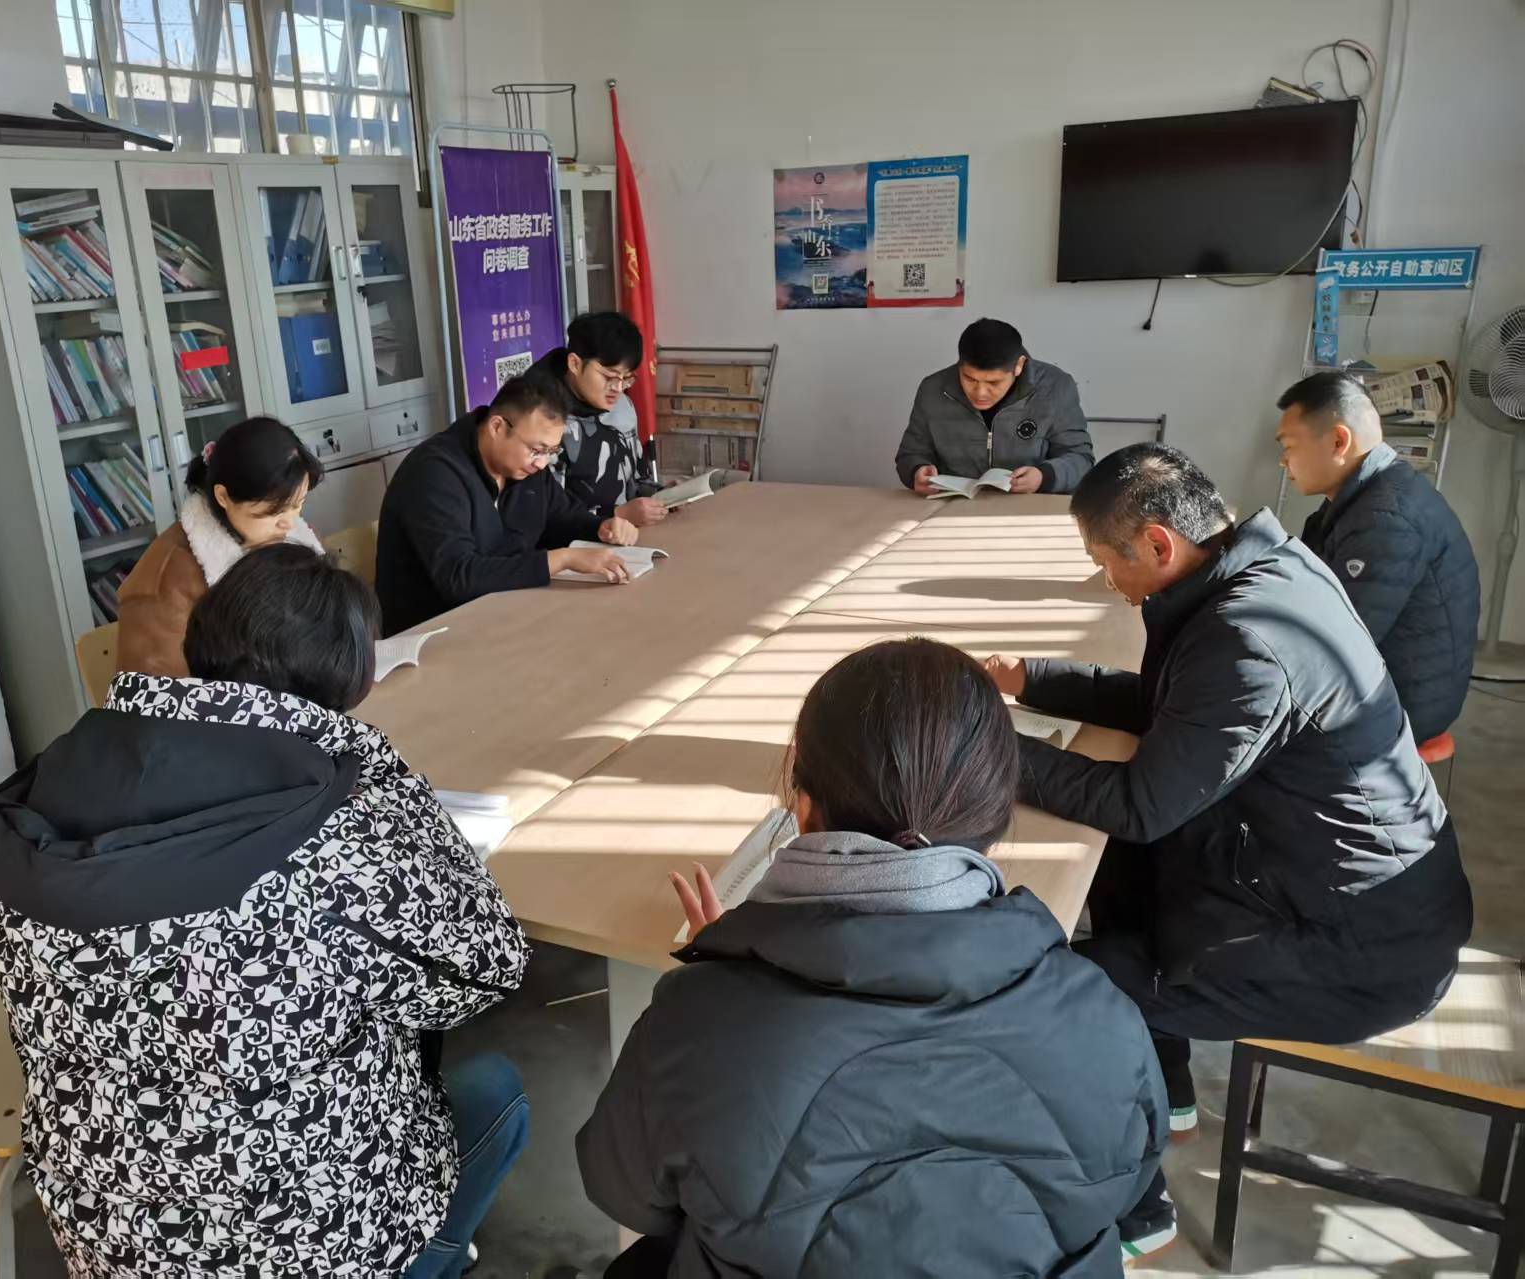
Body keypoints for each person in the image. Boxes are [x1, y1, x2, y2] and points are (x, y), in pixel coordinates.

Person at [0, 543, 532, 1277]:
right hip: (304, 1245)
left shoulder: (52, 781)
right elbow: (484, 971)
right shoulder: (339, 824)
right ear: (354, 677)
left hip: (105, 1232)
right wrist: (392, 787)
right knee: (495, 1091)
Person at [982, 443, 1472, 1258]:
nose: (1108, 581)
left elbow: (1139, 803)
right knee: (1121, 871)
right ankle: (1168, 1085)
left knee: (1071, 985)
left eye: (1107, 561)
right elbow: (1178, 709)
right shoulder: (1265, 575)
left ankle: (1135, 1203)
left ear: (1158, 544)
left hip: (1359, 950)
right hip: (1320, 884)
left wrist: (986, 746)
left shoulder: (1246, 635)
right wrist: (1029, 677)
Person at [578, 638, 1169, 1277]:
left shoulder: (697, 1026)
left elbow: (625, 1193)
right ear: (998, 816)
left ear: (803, 808)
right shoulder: (1103, 1018)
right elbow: (1129, 1180)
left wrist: (722, 977)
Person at [1275, 370, 1480, 742]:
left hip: (1403, 707)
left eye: (1288, 446)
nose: (1282, 461)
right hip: (1397, 687)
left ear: (1338, 441)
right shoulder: (1367, 495)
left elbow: (1338, 644)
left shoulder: (1385, 519)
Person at [375, 369, 640, 635]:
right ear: (497, 427)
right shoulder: (434, 473)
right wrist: (562, 559)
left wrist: (601, 527)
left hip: (509, 615)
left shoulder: (524, 468)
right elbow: (459, 577)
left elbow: (562, 517)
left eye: (551, 451)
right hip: (438, 633)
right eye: (537, 450)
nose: (542, 463)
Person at [115, 415, 324, 678]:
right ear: (223, 496)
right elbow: (156, 696)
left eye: (298, 505)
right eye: (273, 512)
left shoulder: (286, 534)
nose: (289, 523)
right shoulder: (167, 580)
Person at [895, 317, 1093, 496]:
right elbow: (910, 454)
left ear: (1019, 365)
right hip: (956, 508)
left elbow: (1080, 458)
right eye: (970, 379)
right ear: (960, 365)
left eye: (994, 382)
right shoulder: (934, 389)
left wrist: (1043, 477)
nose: (980, 393)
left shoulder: (1055, 387)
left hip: (1030, 507)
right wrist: (916, 470)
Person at [529, 310, 667, 526]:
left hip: (628, 535)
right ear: (575, 364)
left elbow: (637, 481)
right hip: (578, 542)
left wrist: (663, 497)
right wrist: (616, 515)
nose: (618, 388)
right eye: (609, 377)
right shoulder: (540, 418)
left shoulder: (622, 406)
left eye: (626, 378)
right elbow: (545, 517)